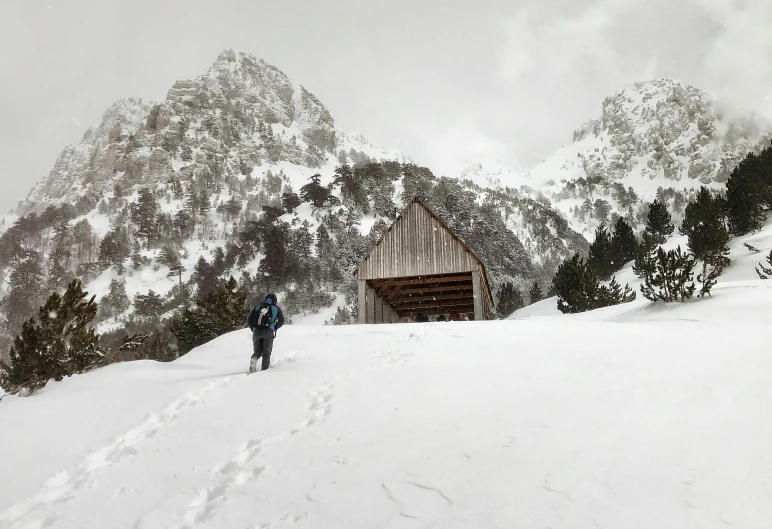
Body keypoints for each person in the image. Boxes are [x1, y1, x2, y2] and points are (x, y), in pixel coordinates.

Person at [246, 293, 285, 372]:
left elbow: (249, 319)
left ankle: (254, 360)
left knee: (257, 351)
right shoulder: (276, 308)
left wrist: (253, 329)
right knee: (266, 353)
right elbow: (281, 321)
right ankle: (264, 370)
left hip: (256, 332)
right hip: (268, 332)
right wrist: (274, 328)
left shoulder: (258, 307)